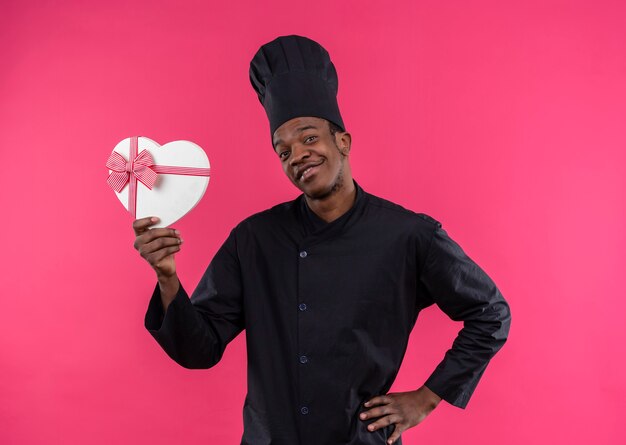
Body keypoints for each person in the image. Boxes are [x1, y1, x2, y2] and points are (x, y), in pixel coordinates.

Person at [134, 35, 511, 445]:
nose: (297, 155)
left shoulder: (408, 235)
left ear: (343, 142)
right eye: (283, 151)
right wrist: (168, 277)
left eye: (309, 138)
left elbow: (490, 313)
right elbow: (199, 351)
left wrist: (425, 398)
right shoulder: (253, 240)